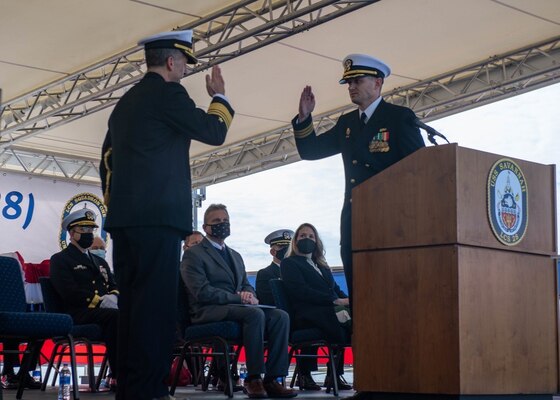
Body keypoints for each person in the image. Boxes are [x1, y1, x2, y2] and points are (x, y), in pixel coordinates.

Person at [99, 29, 234, 400]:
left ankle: (130, 387)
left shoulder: (125, 102)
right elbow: (214, 130)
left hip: (125, 222)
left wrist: (119, 208)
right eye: (185, 63)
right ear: (172, 61)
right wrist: (219, 97)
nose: (186, 71)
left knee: (131, 307)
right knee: (155, 310)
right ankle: (149, 390)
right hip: (157, 221)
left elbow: (106, 162)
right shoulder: (168, 93)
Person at [292, 54, 425, 308]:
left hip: (390, 221)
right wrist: (304, 118)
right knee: (360, 295)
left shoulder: (399, 117)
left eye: (357, 81)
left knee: (390, 292)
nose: (351, 87)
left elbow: (418, 167)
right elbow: (311, 151)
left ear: (377, 82)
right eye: (348, 82)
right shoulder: (347, 123)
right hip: (354, 219)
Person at [181, 204, 297, 399]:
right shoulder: (194, 254)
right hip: (208, 310)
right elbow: (201, 292)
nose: (222, 225)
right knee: (254, 314)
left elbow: (245, 284)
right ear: (205, 227)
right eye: (216, 221)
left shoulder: (235, 255)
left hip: (238, 308)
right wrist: (238, 298)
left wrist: (251, 296)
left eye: (225, 221)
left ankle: (273, 378)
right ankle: (253, 378)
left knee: (280, 316)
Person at [49, 208, 119, 390]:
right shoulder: (60, 260)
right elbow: (69, 293)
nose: (88, 234)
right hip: (77, 313)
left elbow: (113, 285)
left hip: (102, 313)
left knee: (132, 315)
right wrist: (100, 300)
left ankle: (134, 371)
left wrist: (114, 297)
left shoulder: (100, 262)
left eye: (91, 230)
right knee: (116, 318)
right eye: (84, 230)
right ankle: (118, 375)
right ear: (72, 233)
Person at [280, 223, 352, 391]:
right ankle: (307, 375)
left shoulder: (322, 266)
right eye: (302, 236)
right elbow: (300, 291)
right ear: (295, 241)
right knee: (336, 319)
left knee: (353, 316)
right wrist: (334, 301)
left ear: (317, 241)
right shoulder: (289, 263)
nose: (307, 239)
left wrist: (348, 300)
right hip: (306, 312)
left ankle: (333, 374)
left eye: (311, 236)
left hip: (327, 310)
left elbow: (335, 290)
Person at [255, 229, 320, 391]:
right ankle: (305, 375)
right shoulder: (265, 274)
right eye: (281, 247)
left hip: (301, 314)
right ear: (272, 251)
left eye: (288, 246)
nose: (286, 250)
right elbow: (268, 300)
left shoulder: (299, 269)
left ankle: (332, 375)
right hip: (280, 319)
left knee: (321, 318)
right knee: (308, 321)